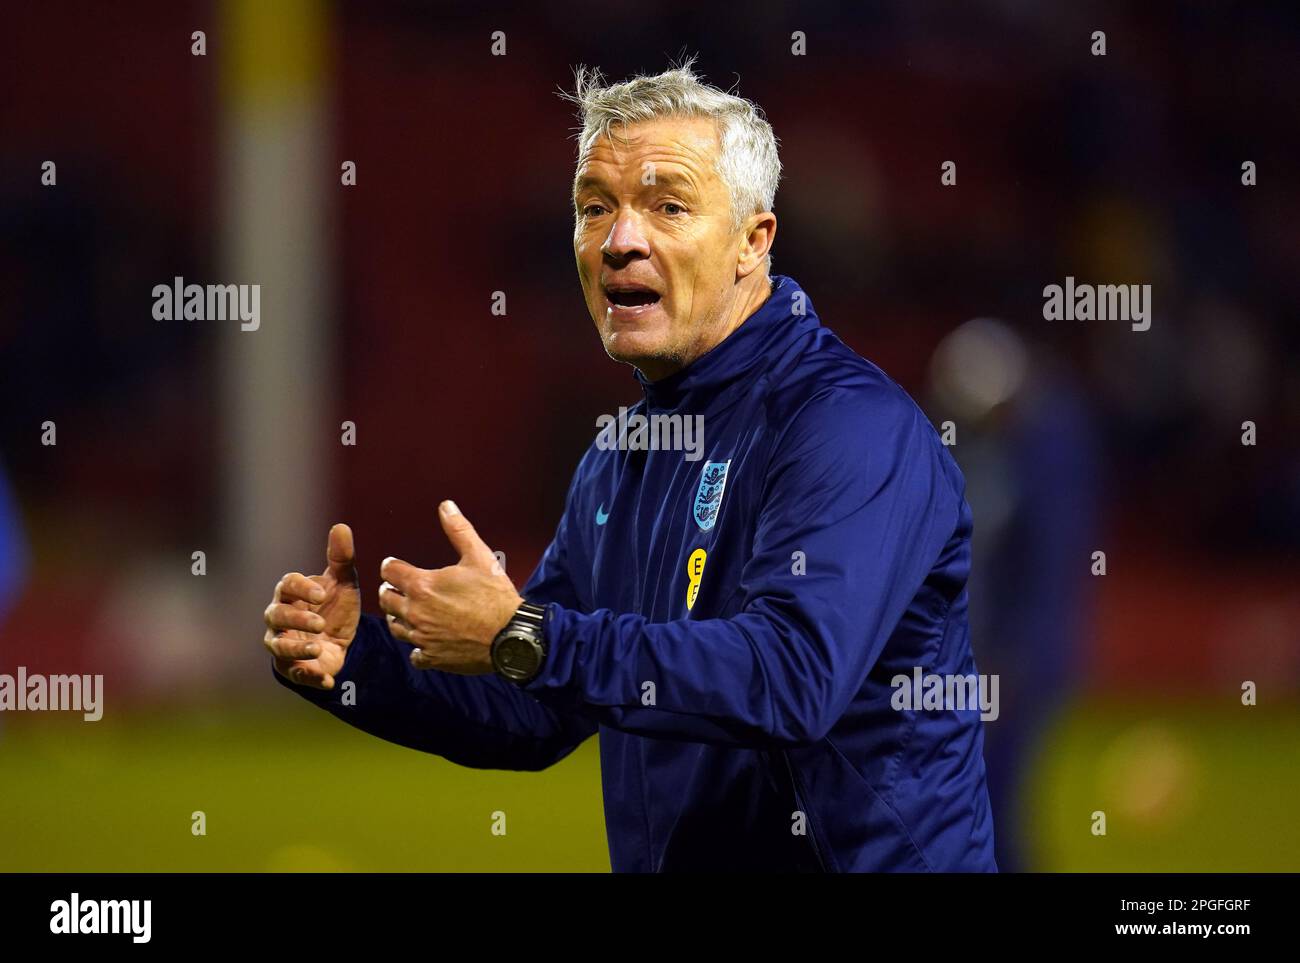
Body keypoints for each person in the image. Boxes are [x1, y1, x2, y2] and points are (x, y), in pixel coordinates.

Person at [266, 60, 996, 872]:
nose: (619, 241)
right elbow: (536, 709)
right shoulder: (623, 456)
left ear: (753, 242)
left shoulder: (848, 427)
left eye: (668, 206)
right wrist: (354, 662)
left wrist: (527, 636)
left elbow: (791, 678)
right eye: (594, 209)